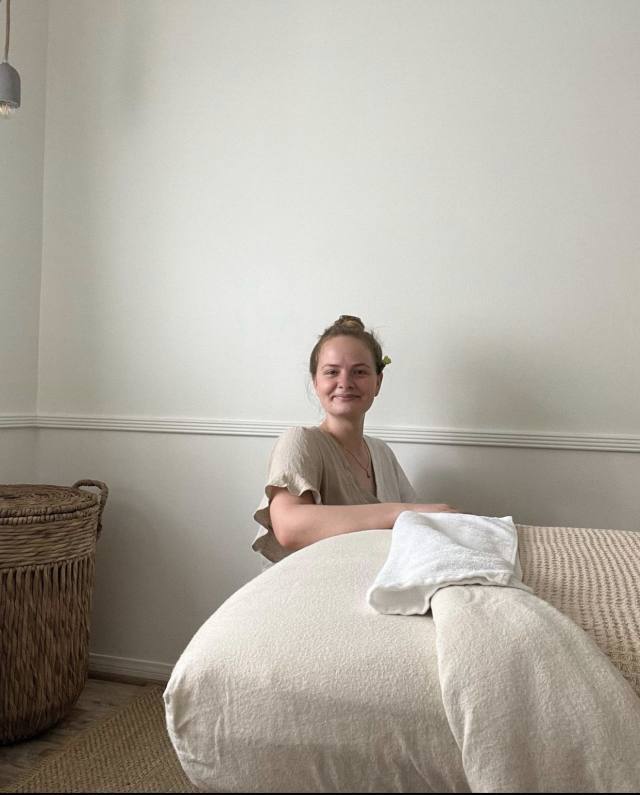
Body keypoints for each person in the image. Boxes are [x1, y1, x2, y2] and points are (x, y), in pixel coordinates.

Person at [253, 315, 459, 563]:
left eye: (359, 372)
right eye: (332, 372)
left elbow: (418, 526)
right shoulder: (300, 441)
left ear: (378, 382)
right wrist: (400, 512)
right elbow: (290, 527)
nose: (345, 383)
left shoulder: (382, 453)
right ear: (316, 382)